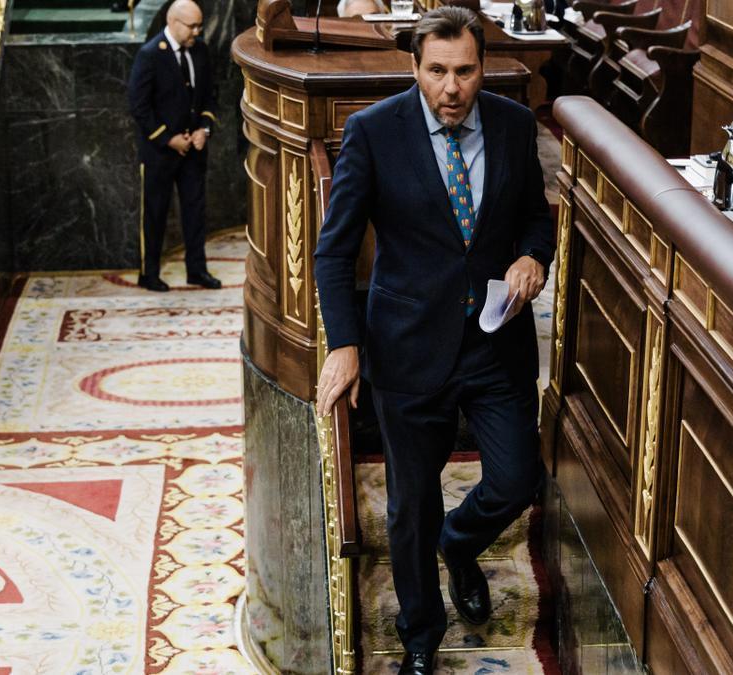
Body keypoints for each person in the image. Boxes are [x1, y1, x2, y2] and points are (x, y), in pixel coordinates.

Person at [313, 7, 553, 673]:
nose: (452, 87)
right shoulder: (371, 133)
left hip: (494, 341)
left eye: (465, 71)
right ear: (416, 68)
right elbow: (333, 254)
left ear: (483, 68)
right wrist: (345, 342)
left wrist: (534, 257)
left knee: (514, 479)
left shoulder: (513, 124)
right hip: (408, 347)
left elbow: (536, 217)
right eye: (438, 71)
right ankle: (421, 636)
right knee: (410, 506)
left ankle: (462, 543)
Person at [127, 0, 222, 291]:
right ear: (173, 22)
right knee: (155, 213)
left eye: (199, 25)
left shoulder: (200, 50)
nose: (197, 31)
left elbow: (209, 94)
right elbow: (139, 105)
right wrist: (168, 138)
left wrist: (204, 129)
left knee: (195, 212)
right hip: (159, 152)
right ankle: (149, 273)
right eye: (191, 26)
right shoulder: (151, 54)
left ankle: (197, 270)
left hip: (193, 149)